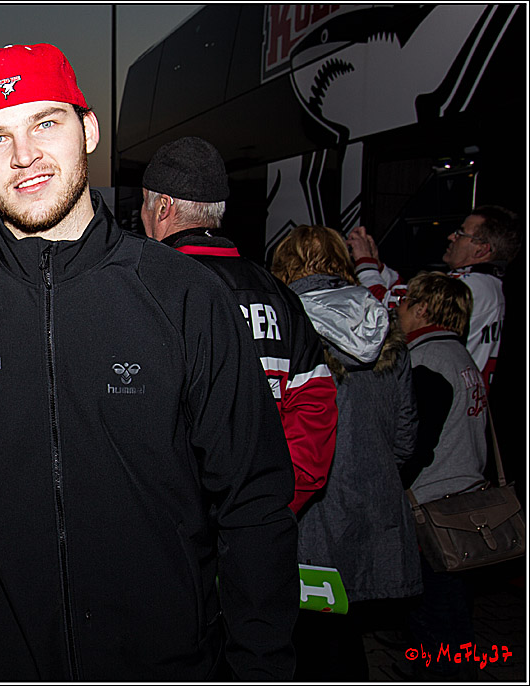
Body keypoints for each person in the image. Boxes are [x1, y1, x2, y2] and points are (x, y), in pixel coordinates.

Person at [0, 43, 298, 680]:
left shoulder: (185, 296)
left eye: (46, 123)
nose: (24, 155)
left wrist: (261, 665)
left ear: (88, 130)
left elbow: (254, 503)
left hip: (167, 664)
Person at [140, 136, 338, 513]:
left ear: (163, 207)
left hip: (171, 523)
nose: (142, 216)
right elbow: (315, 405)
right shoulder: (280, 296)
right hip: (258, 518)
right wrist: (268, 503)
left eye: (145, 204)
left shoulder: (147, 290)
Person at [270, 224, 422, 680]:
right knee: (346, 642)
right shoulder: (383, 324)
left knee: (302, 641)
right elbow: (405, 437)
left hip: (306, 511)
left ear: (285, 266)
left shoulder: (284, 324)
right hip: (373, 510)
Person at [394, 270, 487, 680]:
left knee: (438, 625)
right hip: (465, 503)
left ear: (424, 308)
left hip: (436, 515)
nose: (399, 307)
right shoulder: (460, 356)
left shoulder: (428, 361)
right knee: (454, 618)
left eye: (407, 301)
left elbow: (416, 445)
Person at [346, 205, 519, 390]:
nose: (451, 237)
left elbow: (389, 308)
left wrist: (364, 262)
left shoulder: (469, 287)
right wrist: (378, 266)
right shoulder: (486, 283)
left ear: (481, 250)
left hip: (443, 393)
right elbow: (409, 292)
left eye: (461, 233)